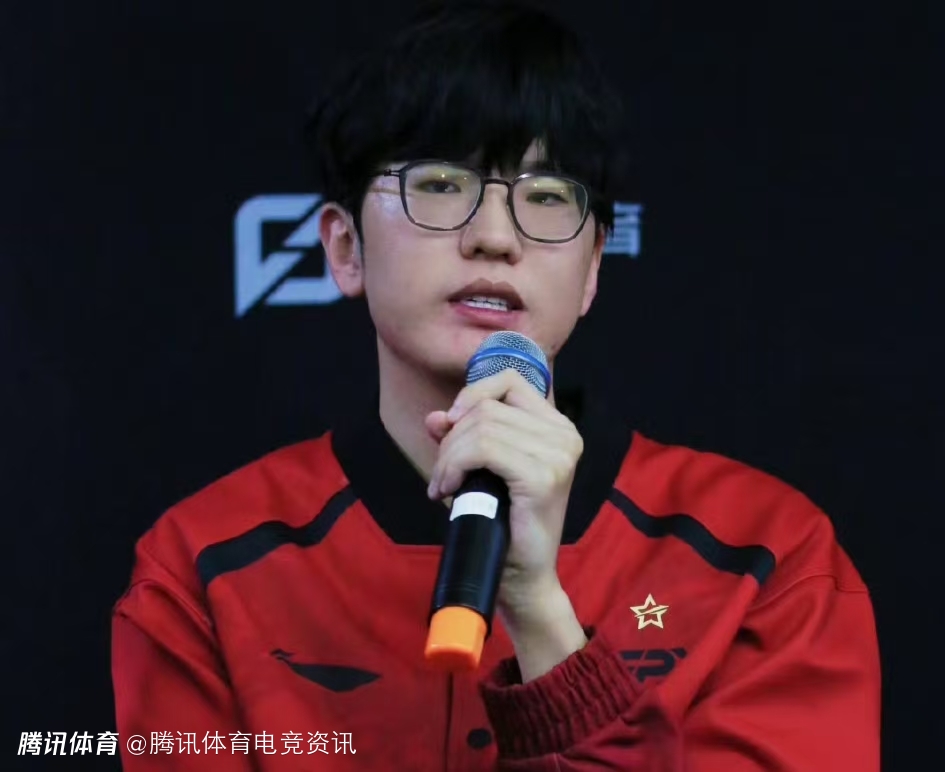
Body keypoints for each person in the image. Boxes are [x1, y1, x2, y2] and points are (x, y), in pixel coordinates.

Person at [111, 1, 881, 769]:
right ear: (344, 248)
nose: (494, 236)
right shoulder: (206, 567)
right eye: (441, 184)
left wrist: (537, 609)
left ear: (592, 267)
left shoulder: (762, 558)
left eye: (545, 196)